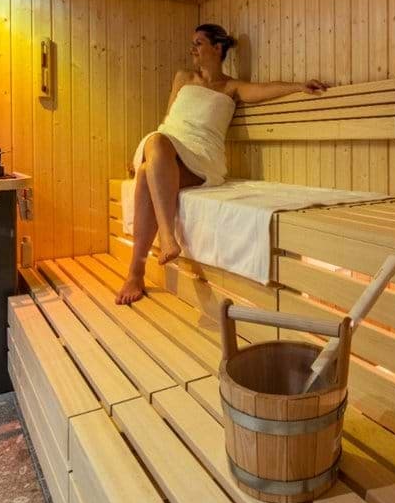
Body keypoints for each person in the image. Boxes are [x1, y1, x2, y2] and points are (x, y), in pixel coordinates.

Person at [117, 24, 327, 304]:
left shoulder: (231, 87)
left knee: (150, 162)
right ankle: (162, 243)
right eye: (192, 43)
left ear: (218, 49)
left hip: (202, 159)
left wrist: (299, 86)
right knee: (151, 155)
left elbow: (263, 90)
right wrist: (153, 157)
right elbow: (169, 118)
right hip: (168, 146)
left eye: (199, 43)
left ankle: (137, 271)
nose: (193, 48)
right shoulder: (183, 77)